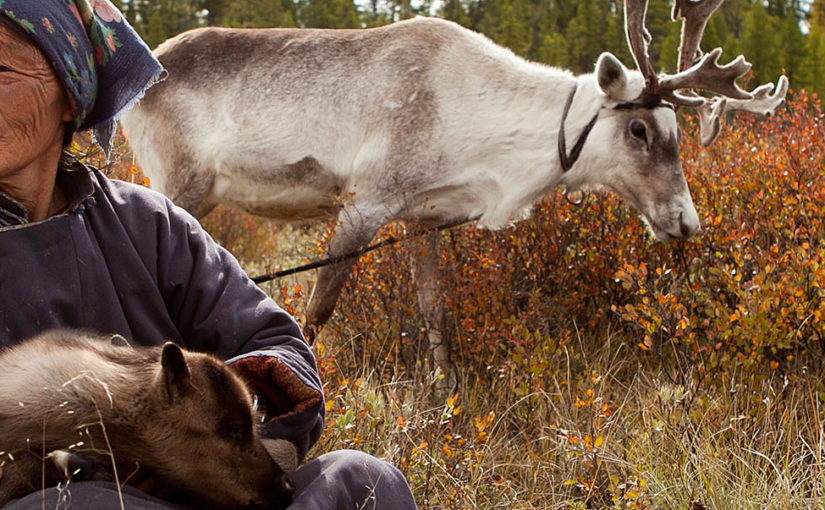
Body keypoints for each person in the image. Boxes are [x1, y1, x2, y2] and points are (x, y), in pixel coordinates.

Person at [0, 1, 418, 509]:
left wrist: (219, 447)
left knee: (363, 479)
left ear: (70, 95)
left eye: (1, 68)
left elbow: (274, 343)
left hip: (199, 492)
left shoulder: (146, 224)